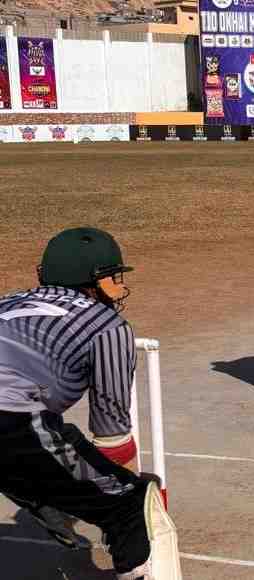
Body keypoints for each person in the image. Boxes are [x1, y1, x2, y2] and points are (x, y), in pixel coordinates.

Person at [0, 227, 181, 579]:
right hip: (8, 418)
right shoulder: (107, 324)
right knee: (136, 505)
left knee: (44, 449)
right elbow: (111, 435)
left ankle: (45, 495)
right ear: (96, 280)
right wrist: (118, 484)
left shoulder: (8, 300)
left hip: (13, 425)